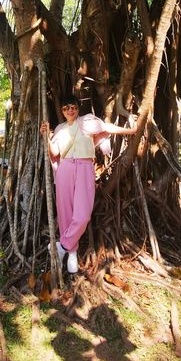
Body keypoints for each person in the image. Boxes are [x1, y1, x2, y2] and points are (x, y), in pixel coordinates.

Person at [40, 95, 137, 274]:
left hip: (85, 167)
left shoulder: (86, 122)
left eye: (73, 107)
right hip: (65, 168)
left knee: (83, 214)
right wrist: (46, 137)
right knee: (65, 213)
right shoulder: (60, 129)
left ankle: (62, 246)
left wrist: (130, 132)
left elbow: (107, 127)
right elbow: (54, 153)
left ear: (78, 109)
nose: (70, 110)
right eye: (66, 108)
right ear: (62, 111)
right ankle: (72, 253)